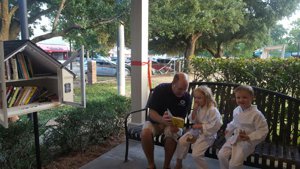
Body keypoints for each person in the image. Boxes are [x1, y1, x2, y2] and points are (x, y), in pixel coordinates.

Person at [141, 72, 191, 169]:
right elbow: (151, 112)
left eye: (185, 89)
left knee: (171, 136)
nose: (183, 92)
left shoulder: (186, 97)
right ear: (173, 83)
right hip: (156, 121)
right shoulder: (161, 89)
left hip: (172, 124)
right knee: (145, 133)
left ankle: (166, 166)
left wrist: (176, 125)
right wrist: (162, 121)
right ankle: (151, 164)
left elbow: (182, 117)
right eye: (180, 89)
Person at [217, 85, 269, 169]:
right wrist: (229, 129)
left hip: (247, 141)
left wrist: (249, 136)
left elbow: (263, 130)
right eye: (238, 97)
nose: (241, 100)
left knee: (234, 165)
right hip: (235, 138)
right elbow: (234, 122)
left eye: (244, 97)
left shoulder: (256, 114)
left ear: (252, 98)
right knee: (221, 155)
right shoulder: (237, 110)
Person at [175, 85, 222, 169]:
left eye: (199, 98)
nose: (196, 100)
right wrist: (195, 110)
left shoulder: (212, 110)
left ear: (207, 98)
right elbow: (192, 120)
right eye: (195, 98)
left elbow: (216, 125)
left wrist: (200, 126)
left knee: (196, 155)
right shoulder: (199, 107)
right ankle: (179, 162)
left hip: (207, 135)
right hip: (196, 132)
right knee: (182, 141)